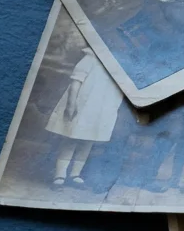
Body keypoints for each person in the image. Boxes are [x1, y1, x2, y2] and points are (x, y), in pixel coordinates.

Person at [43, 46, 125, 190]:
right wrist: (71, 104)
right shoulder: (91, 58)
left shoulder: (121, 65)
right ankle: (60, 174)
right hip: (82, 106)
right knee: (71, 139)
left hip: (101, 109)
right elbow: (76, 82)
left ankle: (75, 174)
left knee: (88, 141)